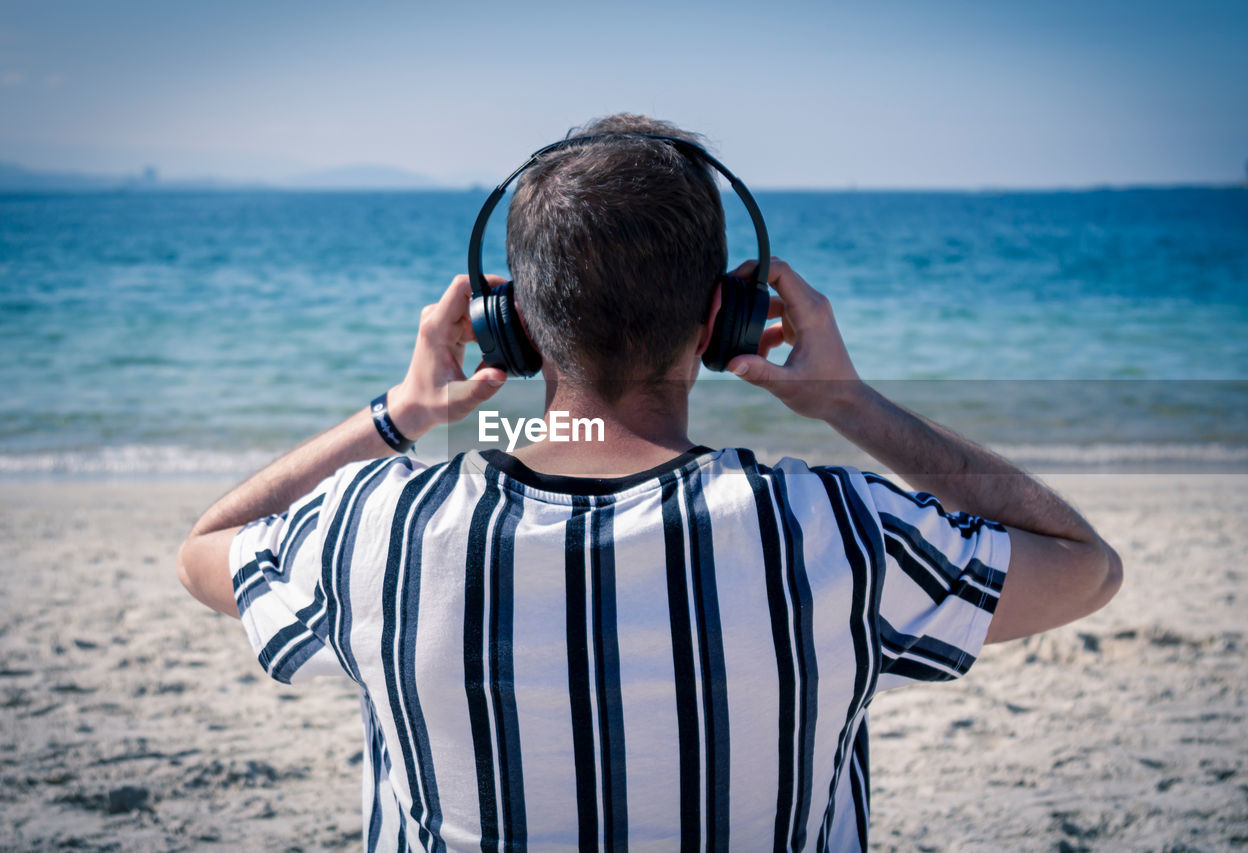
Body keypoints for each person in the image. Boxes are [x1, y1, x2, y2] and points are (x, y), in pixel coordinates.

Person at [178, 114, 1122, 852]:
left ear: (512, 321)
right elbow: (1086, 566)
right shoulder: (836, 530)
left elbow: (203, 549)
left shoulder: (377, 531)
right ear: (725, 320)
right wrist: (849, 402)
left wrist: (402, 414)